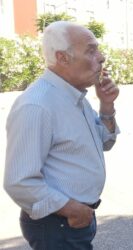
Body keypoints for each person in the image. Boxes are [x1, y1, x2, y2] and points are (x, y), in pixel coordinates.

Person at [3, 21, 119, 249]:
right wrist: (73, 210)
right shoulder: (37, 105)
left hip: (75, 219)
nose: (101, 57)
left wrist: (106, 106)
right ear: (63, 57)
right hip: (58, 223)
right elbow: (19, 181)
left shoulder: (76, 97)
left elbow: (105, 142)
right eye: (91, 50)